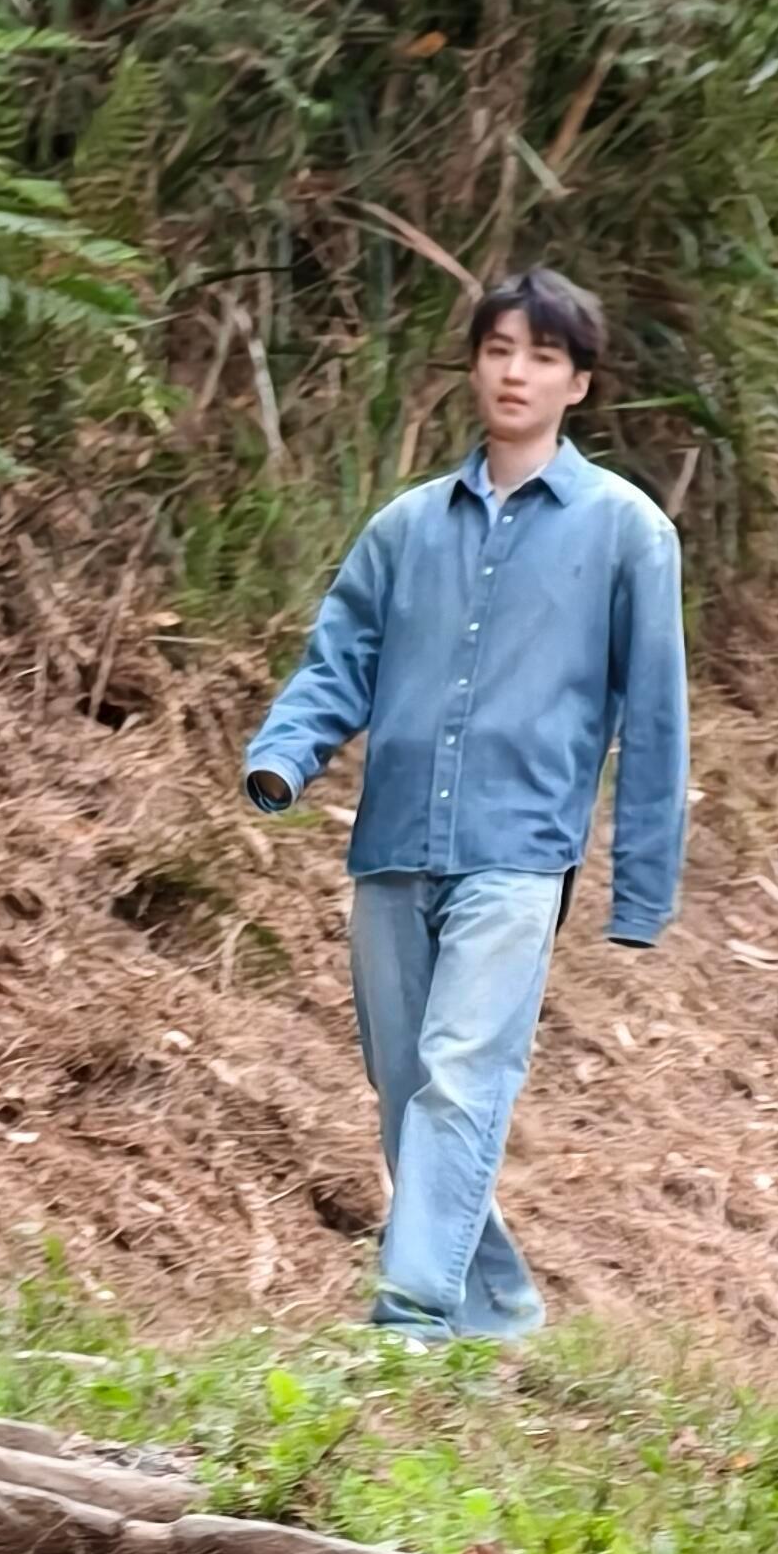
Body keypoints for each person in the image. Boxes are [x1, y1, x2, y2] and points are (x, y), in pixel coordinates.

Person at [241, 266, 689, 1345]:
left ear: (578, 382)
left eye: (541, 355)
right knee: (407, 1091)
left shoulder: (627, 532)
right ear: (476, 366)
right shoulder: (405, 529)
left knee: (459, 1075)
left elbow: (657, 717)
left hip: (519, 849)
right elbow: (339, 658)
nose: (516, 373)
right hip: (394, 839)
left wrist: (641, 887)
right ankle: (497, 1302)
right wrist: (285, 756)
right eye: (499, 350)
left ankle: (412, 1313)